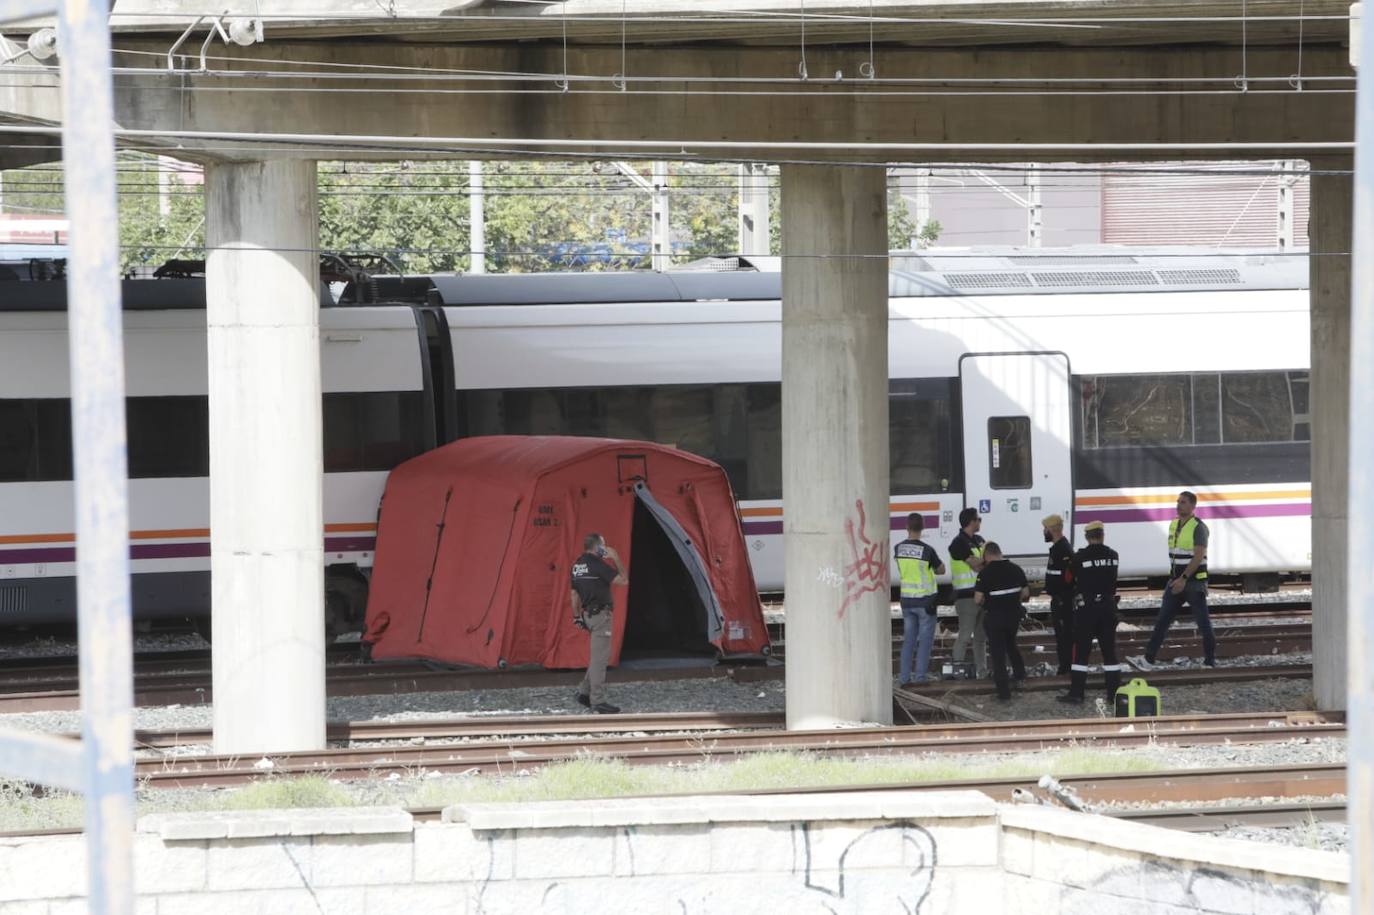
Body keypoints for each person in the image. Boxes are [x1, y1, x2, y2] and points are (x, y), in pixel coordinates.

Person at [1133, 491, 1216, 670]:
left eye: (1183, 502)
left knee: (1203, 623)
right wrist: (1177, 579)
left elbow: (1198, 556)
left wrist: (1183, 579)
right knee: (1162, 621)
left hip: (1193, 583)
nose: (1178, 505)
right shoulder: (1174, 525)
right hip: (1175, 581)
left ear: (1193, 506)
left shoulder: (1198, 527)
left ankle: (1210, 662)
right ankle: (1148, 660)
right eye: (1178, 502)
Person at [1058, 521, 1124, 704]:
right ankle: (1113, 694)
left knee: (1081, 652)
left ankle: (1077, 693)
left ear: (1087, 537)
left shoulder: (1080, 557)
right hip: (1108, 607)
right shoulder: (1113, 555)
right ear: (1103, 535)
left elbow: (1068, 579)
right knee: (1109, 652)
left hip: (1087, 609)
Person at [570, 532, 628, 714]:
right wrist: (616, 557)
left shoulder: (577, 565)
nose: (605, 548)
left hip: (588, 615)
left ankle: (584, 693)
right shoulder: (598, 565)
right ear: (598, 547)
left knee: (597, 656)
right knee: (600, 660)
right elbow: (624, 580)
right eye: (603, 545)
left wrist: (576, 616)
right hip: (601, 616)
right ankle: (597, 701)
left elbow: (574, 593)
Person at [894, 512, 945, 687]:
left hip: (907, 601)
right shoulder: (927, 550)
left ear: (906, 527)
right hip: (925, 602)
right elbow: (941, 570)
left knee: (908, 641)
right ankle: (920, 678)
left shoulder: (898, 548)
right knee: (924, 642)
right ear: (923, 527)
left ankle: (904, 679)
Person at [973, 541, 1028, 701]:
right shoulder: (1016, 569)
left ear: (986, 555)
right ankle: (1020, 676)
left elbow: (977, 599)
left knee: (998, 654)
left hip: (995, 617)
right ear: (999, 552)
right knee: (1011, 644)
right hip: (1013, 616)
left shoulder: (985, 573)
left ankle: (1004, 693)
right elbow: (1025, 593)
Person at [948, 507, 988, 679]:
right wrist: (985, 562)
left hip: (982, 594)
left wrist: (982, 562)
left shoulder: (979, 540)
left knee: (980, 637)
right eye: (979, 519)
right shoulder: (958, 543)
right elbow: (976, 565)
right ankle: (957, 671)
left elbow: (982, 563)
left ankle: (982, 672)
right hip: (965, 597)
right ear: (972, 522)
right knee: (965, 635)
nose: (980, 522)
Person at [1041, 513, 1075, 675]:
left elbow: (1068, 578)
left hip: (1063, 600)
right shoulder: (1058, 548)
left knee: (1064, 636)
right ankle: (1065, 667)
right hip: (1059, 599)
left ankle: (1065, 669)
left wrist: (1061, 595)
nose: (1043, 532)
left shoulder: (1063, 550)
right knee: (1062, 636)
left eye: (1045, 529)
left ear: (1053, 529)